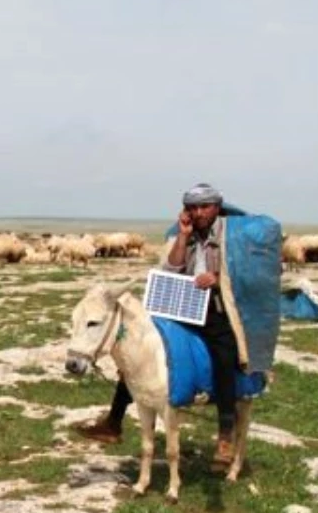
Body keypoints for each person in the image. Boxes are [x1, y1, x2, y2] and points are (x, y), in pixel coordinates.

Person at [78, 183, 240, 470]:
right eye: (193, 208)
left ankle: (226, 434)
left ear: (217, 206)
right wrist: (183, 236)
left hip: (215, 311)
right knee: (138, 356)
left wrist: (215, 278)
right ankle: (113, 422)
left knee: (225, 357)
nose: (199, 213)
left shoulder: (232, 235)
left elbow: (242, 274)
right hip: (182, 306)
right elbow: (173, 267)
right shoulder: (182, 235)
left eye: (205, 207)